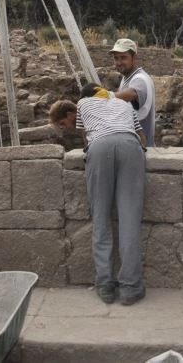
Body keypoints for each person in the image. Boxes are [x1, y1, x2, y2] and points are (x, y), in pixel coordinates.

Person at [49, 82, 147, 305]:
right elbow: (141, 137)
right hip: (130, 147)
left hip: (100, 147)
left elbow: (86, 138)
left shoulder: (83, 103)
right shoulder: (123, 104)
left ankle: (105, 285)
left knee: (101, 219)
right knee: (129, 221)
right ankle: (131, 288)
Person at [110, 38, 156, 146]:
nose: (119, 62)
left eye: (123, 58)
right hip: (131, 147)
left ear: (134, 58)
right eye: (116, 58)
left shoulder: (140, 79)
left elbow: (132, 93)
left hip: (141, 149)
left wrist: (106, 96)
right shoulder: (126, 79)